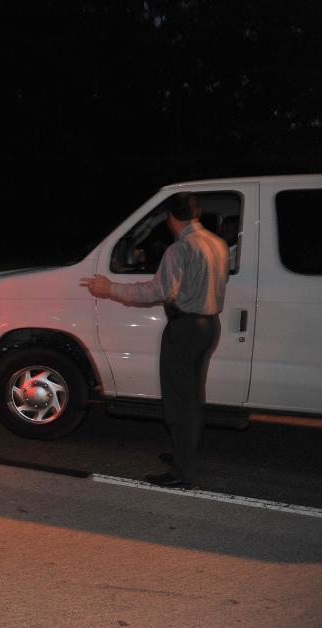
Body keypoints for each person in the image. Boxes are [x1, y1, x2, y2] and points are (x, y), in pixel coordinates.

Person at [80, 192, 228, 488]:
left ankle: (183, 474)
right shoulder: (218, 244)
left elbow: (156, 292)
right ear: (195, 213)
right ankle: (185, 456)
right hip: (210, 326)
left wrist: (111, 289)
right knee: (193, 398)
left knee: (178, 402)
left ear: (171, 218)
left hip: (185, 329)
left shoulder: (180, 249)